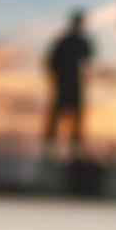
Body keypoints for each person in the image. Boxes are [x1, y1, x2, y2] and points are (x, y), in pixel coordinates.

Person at [41, 9, 92, 158]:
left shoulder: (81, 42)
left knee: (75, 119)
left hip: (74, 85)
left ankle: (74, 155)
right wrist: (59, 78)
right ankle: (50, 155)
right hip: (65, 85)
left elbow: (87, 61)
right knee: (58, 119)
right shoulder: (65, 42)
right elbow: (52, 63)